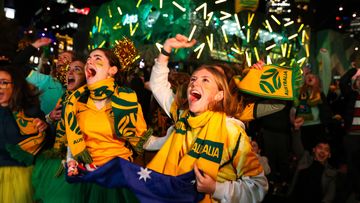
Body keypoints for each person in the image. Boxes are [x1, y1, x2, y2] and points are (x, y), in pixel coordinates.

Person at [147, 34, 268, 202]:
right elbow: (158, 86)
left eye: (206, 80)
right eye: (194, 79)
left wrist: (216, 188)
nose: (195, 84)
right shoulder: (183, 116)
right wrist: (167, 48)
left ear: (220, 95)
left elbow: (258, 186)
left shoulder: (230, 130)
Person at [64, 47, 148, 202]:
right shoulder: (76, 102)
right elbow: (73, 139)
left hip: (119, 176)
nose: (89, 61)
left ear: (112, 70)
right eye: (88, 59)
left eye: (97, 58)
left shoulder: (128, 101)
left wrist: (169, 137)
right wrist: (70, 160)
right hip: (89, 176)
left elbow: (144, 141)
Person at [32, 59, 87, 203]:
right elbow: (53, 127)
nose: (70, 71)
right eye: (70, 69)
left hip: (80, 162)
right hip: (57, 157)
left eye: (77, 69)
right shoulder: (63, 98)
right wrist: (49, 118)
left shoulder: (90, 100)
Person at [0, 65, 48, 202]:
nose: (0, 86)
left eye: (4, 82)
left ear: (16, 86)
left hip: (17, 176)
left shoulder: (29, 112)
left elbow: (11, 142)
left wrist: (45, 128)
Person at [13, 37, 74, 114]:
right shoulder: (46, 81)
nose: (59, 59)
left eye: (65, 57)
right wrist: (35, 45)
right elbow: (17, 66)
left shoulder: (80, 87)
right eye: (59, 58)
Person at [287, 117, 337, 203]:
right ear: (314, 149)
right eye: (320, 147)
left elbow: (330, 195)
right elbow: (296, 145)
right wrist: (296, 129)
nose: (322, 151)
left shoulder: (331, 172)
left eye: (326, 149)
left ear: (329, 155)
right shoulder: (305, 158)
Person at [339, 50, 360, 202]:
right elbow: (342, 81)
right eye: (359, 80)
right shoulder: (351, 95)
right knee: (351, 167)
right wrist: (355, 68)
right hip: (351, 136)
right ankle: (350, 194)